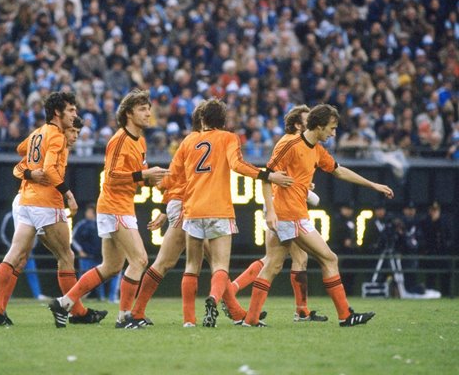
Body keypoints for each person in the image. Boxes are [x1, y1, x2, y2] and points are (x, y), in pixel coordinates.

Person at [244, 104, 394, 327]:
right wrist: (271, 212)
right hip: (289, 216)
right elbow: (266, 176)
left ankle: (251, 319)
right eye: (331, 128)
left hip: (292, 214)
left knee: (273, 266)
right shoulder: (289, 143)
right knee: (329, 258)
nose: (334, 133)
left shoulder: (316, 149)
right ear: (319, 125)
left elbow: (339, 170)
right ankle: (345, 315)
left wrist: (372, 185)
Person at [49, 89, 169, 329]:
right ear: (128, 114)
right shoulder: (119, 140)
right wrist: (144, 174)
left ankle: (63, 303)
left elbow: (135, 178)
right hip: (115, 207)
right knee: (140, 259)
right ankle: (125, 317)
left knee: (112, 266)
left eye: (148, 108)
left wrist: (155, 179)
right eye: (142, 109)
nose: (148, 113)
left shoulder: (140, 140)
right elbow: (112, 176)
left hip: (120, 206)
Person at [167, 99, 291, 328]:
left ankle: (188, 321)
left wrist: (157, 188)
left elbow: (173, 176)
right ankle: (213, 299)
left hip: (193, 210)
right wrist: (265, 175)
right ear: (223, 121)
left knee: (191, 266)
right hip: (219, 210)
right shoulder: (228, 138)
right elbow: (237, 165)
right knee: (220, 266)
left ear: (202, 119)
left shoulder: (188, 141)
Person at [0, 93, 106, 326]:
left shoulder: (38, 133)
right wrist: (68, 193)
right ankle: (77, 312)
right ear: (57, 113)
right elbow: (50, 169)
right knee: (66, 256)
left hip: (26, 200)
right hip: (45, 202)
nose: (75, 114)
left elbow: (23, 150)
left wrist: (30, 171)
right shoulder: (57, 136)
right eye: (71, 110)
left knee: (16, 255)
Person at [229, 105, 329, 322]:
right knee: (274, 262)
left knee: (293, 259)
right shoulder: (289, 142)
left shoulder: (306, 146)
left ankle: (299, 310)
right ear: (297, 124)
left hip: (284, 205)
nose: (311, 122)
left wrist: (303, 186)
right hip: (280, 206)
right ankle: (232, 295)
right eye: (307, 119)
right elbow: (270, 175)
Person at [71, 203, 121, 303]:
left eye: (89, 211)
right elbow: (73, 238)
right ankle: (76, 297)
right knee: (86, 277)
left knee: (106, 275)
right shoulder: (82, 224)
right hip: (87, 257)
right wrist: (80, 251)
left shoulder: (102, 223)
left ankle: (112, 297)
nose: (87, 213)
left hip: (101, 256)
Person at [419, 201, 453, 295]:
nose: (434, 212)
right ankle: (431, 294)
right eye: (432, 210)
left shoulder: (445, 221)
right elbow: (424, 237)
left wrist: (447, 246)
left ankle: (446, 294)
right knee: (431, 275)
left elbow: (449, 236)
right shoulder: (425, 221)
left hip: (443, 252)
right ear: (429, 211)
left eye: (436, 210)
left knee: (445, 275)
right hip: (431, 252)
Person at [330, 202, 358, 295]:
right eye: (347, 209)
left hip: (350, 252)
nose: (349, 211)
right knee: (341, 273)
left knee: (350, 273)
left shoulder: (351, 221)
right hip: (340, 250)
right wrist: (344, 240)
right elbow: (336, 234)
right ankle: (340, 292)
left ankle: (349, 292)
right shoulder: (338, 220)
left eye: (350, 209)